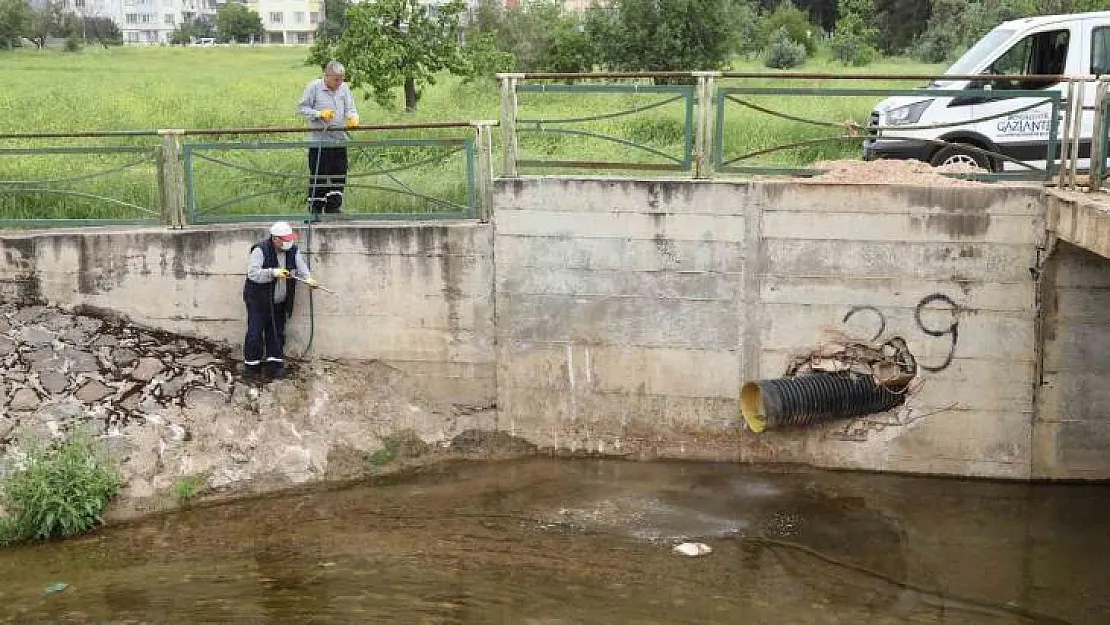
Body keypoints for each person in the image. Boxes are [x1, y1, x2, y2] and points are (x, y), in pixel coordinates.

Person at [242, 221, 317, 380]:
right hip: (258, 301)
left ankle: (274, 367)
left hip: (279, 302)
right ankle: (251, 369)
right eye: (284, 239)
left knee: (276, 333)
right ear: (275, 239)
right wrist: (273, 272)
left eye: (289, 238)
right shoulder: (260, 250)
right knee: (254, 334)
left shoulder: (293, 251)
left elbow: (301, 267)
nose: (288, 242)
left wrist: (309, 279)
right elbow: (253, 274)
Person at [298, 60, 360, 214]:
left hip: (339, 139)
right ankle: (315, 209)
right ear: (326, 76)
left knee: (339, 172)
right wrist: (319, 114)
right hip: (320, 140)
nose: (339, 82)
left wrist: (353, 117)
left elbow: (350, 108)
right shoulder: (314, 87)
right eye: (336, 79)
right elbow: (301, 108)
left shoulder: (344, 88)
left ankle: (334, 206)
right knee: (319, 173)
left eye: (342, 79)